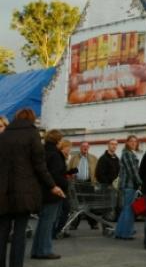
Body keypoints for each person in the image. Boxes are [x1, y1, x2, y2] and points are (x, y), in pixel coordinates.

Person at [0, 109, 64, 266]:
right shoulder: (32, 135)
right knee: (19, 234)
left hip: (3, 191)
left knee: (2, 233)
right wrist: (52, 186)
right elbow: (40, 166)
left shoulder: (3, 136)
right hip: (24, 192)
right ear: (32, 119)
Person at [31, 130, 68, 260]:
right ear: (58, 140)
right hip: (53, 192)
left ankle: (37, 249)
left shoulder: (42, 151)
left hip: (42, 191)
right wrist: (66, 183)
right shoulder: (55, 155)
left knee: (43, 222)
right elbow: (56, 175)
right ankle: (44, 250)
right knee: (48, 223)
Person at [114, 135, 142, 240]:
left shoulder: (129, 154)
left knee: (126, 209)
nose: (134, 143)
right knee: (129, 209)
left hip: (128, 185)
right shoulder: (127, 154)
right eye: (131, 141)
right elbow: (133, 171)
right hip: (129, 185)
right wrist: (140, 183)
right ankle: (126, 233)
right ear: (127, 143)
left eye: (135, 141)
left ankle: (120, 232)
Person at [68, 141, 99, 230]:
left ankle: (93, 223)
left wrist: (95, 182)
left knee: (90, 205)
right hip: (77, 184)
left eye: (86, 146)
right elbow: (69, 170)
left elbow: (97, 171)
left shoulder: (93, 158)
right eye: (83, 146)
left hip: (89, 184)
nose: (85, 148)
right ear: (80, 148)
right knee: (76, 205)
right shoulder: (74, 158)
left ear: (89, 148)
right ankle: (74, 224)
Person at [95, 139, 120, 221]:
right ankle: (106, 227)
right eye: (112, 144)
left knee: (114, 209)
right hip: (106, 188)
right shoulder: (103, 159)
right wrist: (108, 184)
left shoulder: (116, 158)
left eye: (116, 144)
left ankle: (112, 228)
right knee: (107, 209)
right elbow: (99, 174)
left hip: (115, 188)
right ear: (108, 145)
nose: (114, 146)